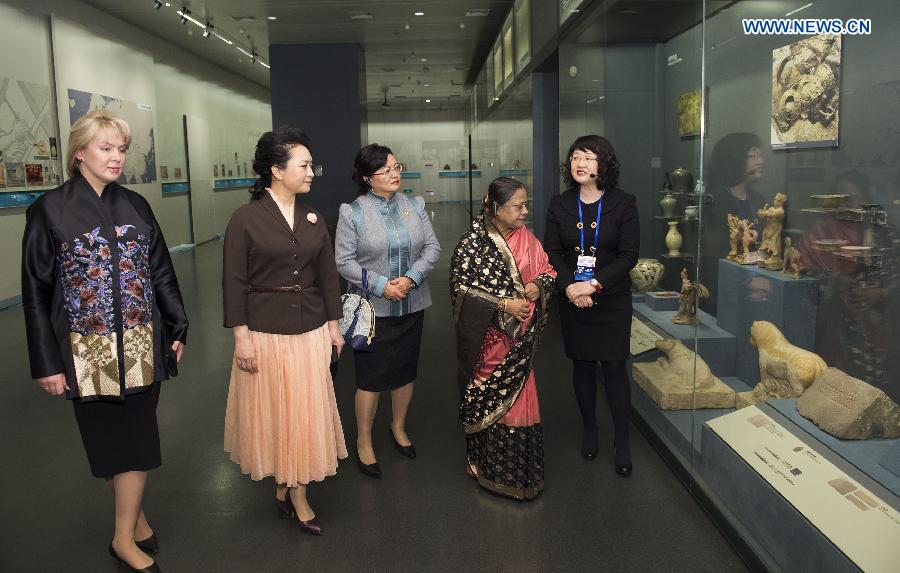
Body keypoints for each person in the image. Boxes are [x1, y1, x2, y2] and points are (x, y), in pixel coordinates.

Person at [22, 109, 188, 572]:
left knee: (136, 442)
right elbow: (35, 291)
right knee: (108, 448)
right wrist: (46, 362)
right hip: (85, 350)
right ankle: (133, 518)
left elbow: (161, 273)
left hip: (139, 344)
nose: (117, 158)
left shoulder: (136, 205)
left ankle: (121, 538)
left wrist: (177, 326)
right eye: (106, 148)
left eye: (121, 150)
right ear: (80, 154)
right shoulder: (49, 211)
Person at [223, 127, 346, 536]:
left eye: (312, 165)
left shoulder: (313, 218)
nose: (312, 172)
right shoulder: (245, 219)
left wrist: (333, 324)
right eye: (304, 164)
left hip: (309, 328)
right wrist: (241, 337)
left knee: (303, 409)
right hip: (266, 332)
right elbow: (234, 281)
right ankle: (293, 490)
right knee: (279, 410)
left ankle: (290, 486)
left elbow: (328, 276)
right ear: (276, 169)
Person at [334, 143, 441, 478]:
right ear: (368, 178)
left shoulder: (415, 205)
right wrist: (383, 285)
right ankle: (364, 440)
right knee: (371, 379)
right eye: (385, 170)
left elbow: (432, 246)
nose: (395, 174)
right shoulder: (352, 212)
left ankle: (398, 427)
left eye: (396, 167)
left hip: (412, 304)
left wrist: (410, 279)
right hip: (372, 311)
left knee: (405, 372)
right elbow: (344, 262)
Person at [450, 177, 557, 500]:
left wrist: (537, 287)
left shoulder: (529, 239)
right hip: (488, 343)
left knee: (521, 400)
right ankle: (482, 464)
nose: (525, 212)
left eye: (527, 205)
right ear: (495, 208)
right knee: (483, 401)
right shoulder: (473, 244)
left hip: (520, 343)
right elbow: (461, 290)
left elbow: (548, 271)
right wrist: (503, 304)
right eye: (517, 206)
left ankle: (520, 474)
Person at [544, 135, 639, 476]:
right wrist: (570, 286)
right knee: (582, 367)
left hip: (611, 298)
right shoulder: (560, 204)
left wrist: (594, 284)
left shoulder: (624, 203)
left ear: (605, 164)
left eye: (588, 157)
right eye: (575, 157)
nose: (580, 163)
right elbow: (552, 252)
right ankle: (589, 429)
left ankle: (622, 440)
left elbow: (629, 255)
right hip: (573, 300)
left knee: (614, 368)